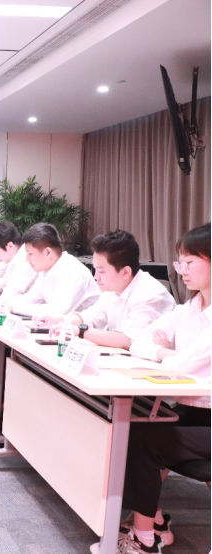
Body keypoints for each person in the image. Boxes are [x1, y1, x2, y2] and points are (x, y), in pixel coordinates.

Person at [93, 223, 210, 554]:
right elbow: (138, 343)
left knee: (143, 438)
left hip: (205, 414)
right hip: (193, 410)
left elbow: (183, 364)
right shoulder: (190, 309)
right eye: (179, 262)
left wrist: (166, 353)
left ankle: (145, 538)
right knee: (134, 428)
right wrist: (166, 353)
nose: (182, 270)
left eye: (189, 262)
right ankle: (153, 524)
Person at [34, 230, 175, 349]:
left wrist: (79, 331)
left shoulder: (150, 293)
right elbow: (90, 317)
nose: (96, 277)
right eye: (95, 270)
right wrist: (59, 320)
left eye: (101, 271)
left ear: (125, 272)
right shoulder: (113, 288)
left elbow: (128, 339)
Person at [8, 223, 100, 318]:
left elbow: (56, 312)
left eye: (30, 254)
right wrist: (4, 304)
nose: (27, 259)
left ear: (48, 252)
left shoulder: (72, 270)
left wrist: (14, 308)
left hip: (84, 327)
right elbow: (29, 299)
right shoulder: (46, 272)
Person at [0, 221, 38, 298]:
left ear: (10, 246)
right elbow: (6, 282)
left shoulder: (25, 259)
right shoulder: (13, 258)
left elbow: (14, 290)